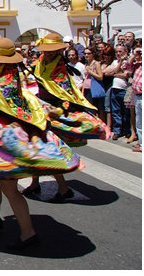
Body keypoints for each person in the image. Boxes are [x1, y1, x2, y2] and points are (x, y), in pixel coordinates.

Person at [0, 37, 82, 251]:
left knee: (9, 186)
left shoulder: (7, 77)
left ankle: (28, 233)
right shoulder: (2, 73)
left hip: (8, 139)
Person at [22, 33, 109, 202]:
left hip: (53, 112)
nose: (47, 53)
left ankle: (63, 188)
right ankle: (35, 182)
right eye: (45, 50)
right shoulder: (39, 63)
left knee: (49, 149)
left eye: (51, 51)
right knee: (35, 147)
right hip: (40, 109)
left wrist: (59, 111)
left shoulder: (61, 71)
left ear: (58, 51)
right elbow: (27, 73)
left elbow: (69, 96)